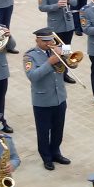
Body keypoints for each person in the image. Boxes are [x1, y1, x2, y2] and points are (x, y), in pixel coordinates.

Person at [24, 28, 71, 171]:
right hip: (42, 100)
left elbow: (72, 65)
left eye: (50, 40)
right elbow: (33, 76)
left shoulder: (57, 49)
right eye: (44, 41)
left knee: (58, 129)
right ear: (37, 40)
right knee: (43, 131)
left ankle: (56, 152)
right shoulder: (29, 56)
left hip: (59, 97)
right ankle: (46, 157)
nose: (48, 43)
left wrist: (67, 54)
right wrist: (49, 63)